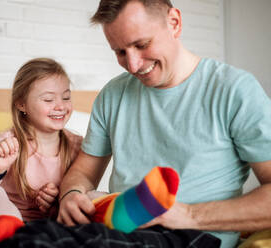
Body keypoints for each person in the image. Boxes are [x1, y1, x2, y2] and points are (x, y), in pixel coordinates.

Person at [57, 0, 271, 248]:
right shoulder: (113, 94)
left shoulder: (235, 90)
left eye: (142, 44)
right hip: (119, 233)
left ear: (174, 23)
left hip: (194, 237)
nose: (133, 65)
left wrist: (188, 215)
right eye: (120, 52)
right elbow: (83, 173)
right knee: (33, 235)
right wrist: (71, 195)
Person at [0, 58, 83, 247]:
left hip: (51, 229)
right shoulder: (8, 143)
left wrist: (56, 202)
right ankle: (8, 229)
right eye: (49, 99)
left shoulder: (77, 146)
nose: (60, 106)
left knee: (91, 196)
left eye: (66, 97)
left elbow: (77, 199)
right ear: (21, 104)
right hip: (3, 224)